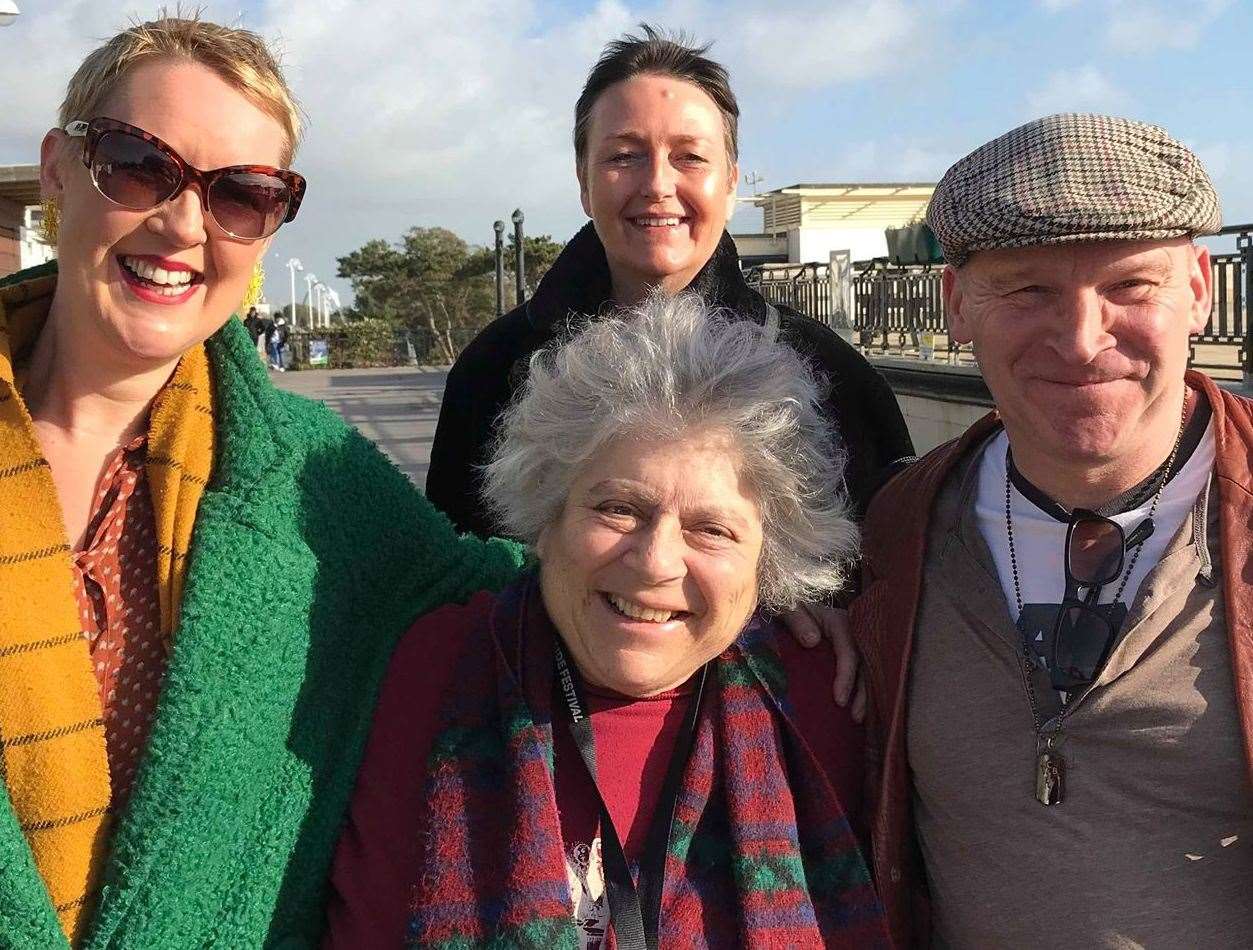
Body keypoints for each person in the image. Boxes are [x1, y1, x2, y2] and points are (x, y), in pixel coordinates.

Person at [0, 16, 522, 947]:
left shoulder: (316, 481)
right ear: (56, 169)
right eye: (137, 163)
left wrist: (759, 609)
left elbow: (522, 599)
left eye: (242, 193)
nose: (184, 222)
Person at [325, 292, 892, 949]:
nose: (655, 562)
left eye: (711, 529)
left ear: (771, 558)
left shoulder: (824, 699)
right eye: (619, 509)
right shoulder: (428, 672)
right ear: (549, 512)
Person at [849, 113, 1253, 947]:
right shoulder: (898, 532)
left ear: (1198, 290)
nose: (1079, 340)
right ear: (957, 304)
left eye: (1129, 287)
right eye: (1027, 290)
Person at [427, 25, 913, 540]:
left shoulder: (827, 375)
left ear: (729, 183)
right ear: (583, 182)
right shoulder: (494, 368)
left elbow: (884, 572)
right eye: (623, 156)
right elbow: (450, 571)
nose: (657, 184)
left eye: (690, 157)